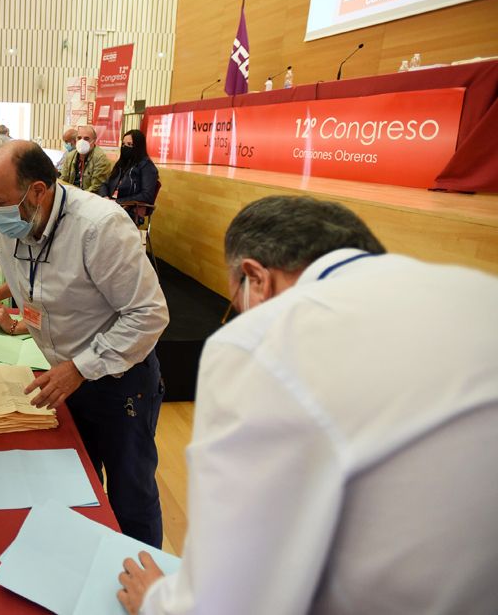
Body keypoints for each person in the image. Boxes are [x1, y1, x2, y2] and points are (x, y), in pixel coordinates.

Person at [117, 196, 498, 615]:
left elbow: (226, 596)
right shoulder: (476, 289)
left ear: (256, 279)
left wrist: (155, 601)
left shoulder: (264, 339)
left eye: (237, 301)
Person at [0, 140, 169, 546]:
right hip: (61, 375)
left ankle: (145, 592)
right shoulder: (8, 224)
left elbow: (149, 315)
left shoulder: (99, 227)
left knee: (130, 494)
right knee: (82, 483)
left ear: (37, 191)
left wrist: (80, 368)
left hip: (118, 380)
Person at [98, 129, 159, 222]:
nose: (125, 147)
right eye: (123, 144)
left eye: (130, 145)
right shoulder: (122, 163)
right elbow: (105, 184)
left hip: (128, 209)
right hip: (110, 205)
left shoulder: (147, 167)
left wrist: (118, 202)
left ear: (138, 147)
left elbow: (146, 195)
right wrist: (105, 197)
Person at [59, 124, 110, 193]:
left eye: (86, 139)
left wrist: (78, 197)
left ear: (94, 140)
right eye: (79, 138)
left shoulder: (100, 159)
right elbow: (63, 179)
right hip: (71, 195)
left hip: (89, 198)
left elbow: (96, 187)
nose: (82, 141)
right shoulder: (70, 156)